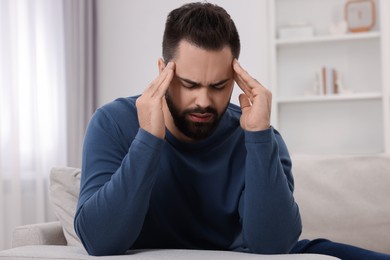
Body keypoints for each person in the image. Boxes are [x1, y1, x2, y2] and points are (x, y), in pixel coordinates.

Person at [74, 2, 390, 259]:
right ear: (163, 72)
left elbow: (274, 244)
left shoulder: (258, 132)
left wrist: (258, 137)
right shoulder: (113, 123)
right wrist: (148, 140)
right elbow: (99, 242)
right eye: (189, 84)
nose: (203, 100)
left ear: (236, 77)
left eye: (218, 85)